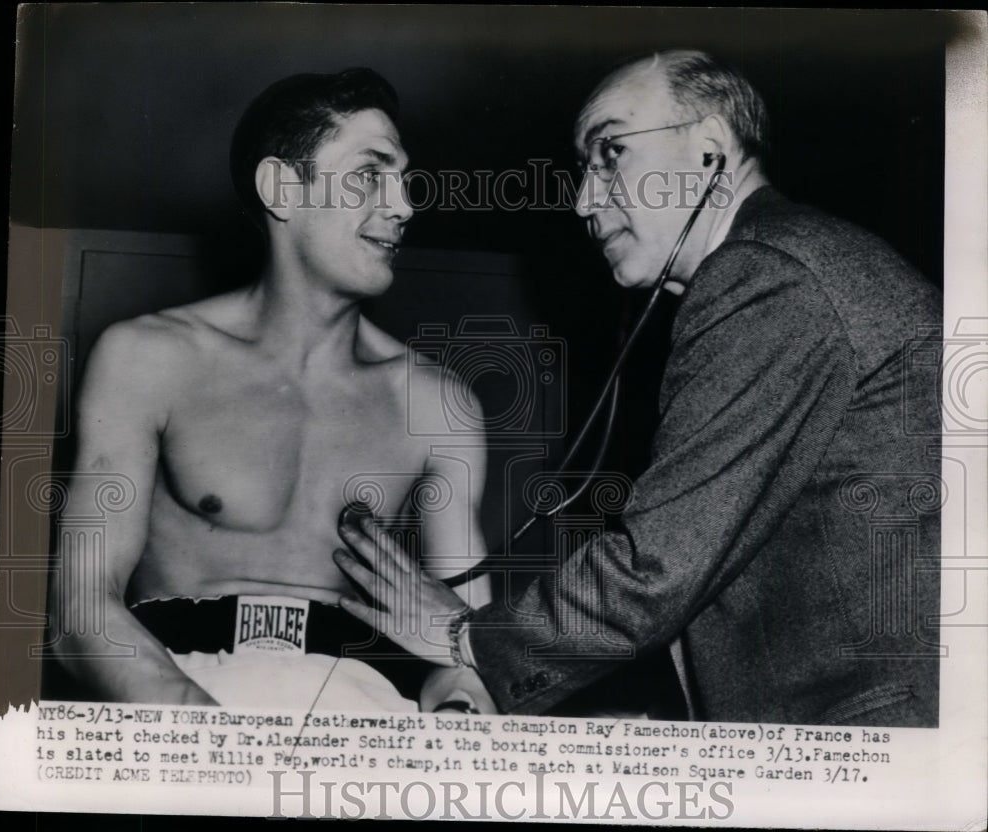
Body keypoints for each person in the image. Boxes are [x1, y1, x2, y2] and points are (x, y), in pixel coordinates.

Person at [335, 50, 942, 726]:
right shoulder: (787, 263)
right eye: (583, 168)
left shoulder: (765, 275)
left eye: (611, 152)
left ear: (712, 151)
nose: (583, 200)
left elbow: (658, 567)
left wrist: (462, 636)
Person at [50, 69, 491, 712]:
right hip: (174, 695)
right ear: (282, 188)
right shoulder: (147, 358)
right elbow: (80, 610)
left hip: (362, 710)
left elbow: (472, 647)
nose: (404, 204)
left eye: (403, 179)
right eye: (371, 173)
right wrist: (196, 727)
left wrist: (457, 716)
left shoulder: (439, 405)